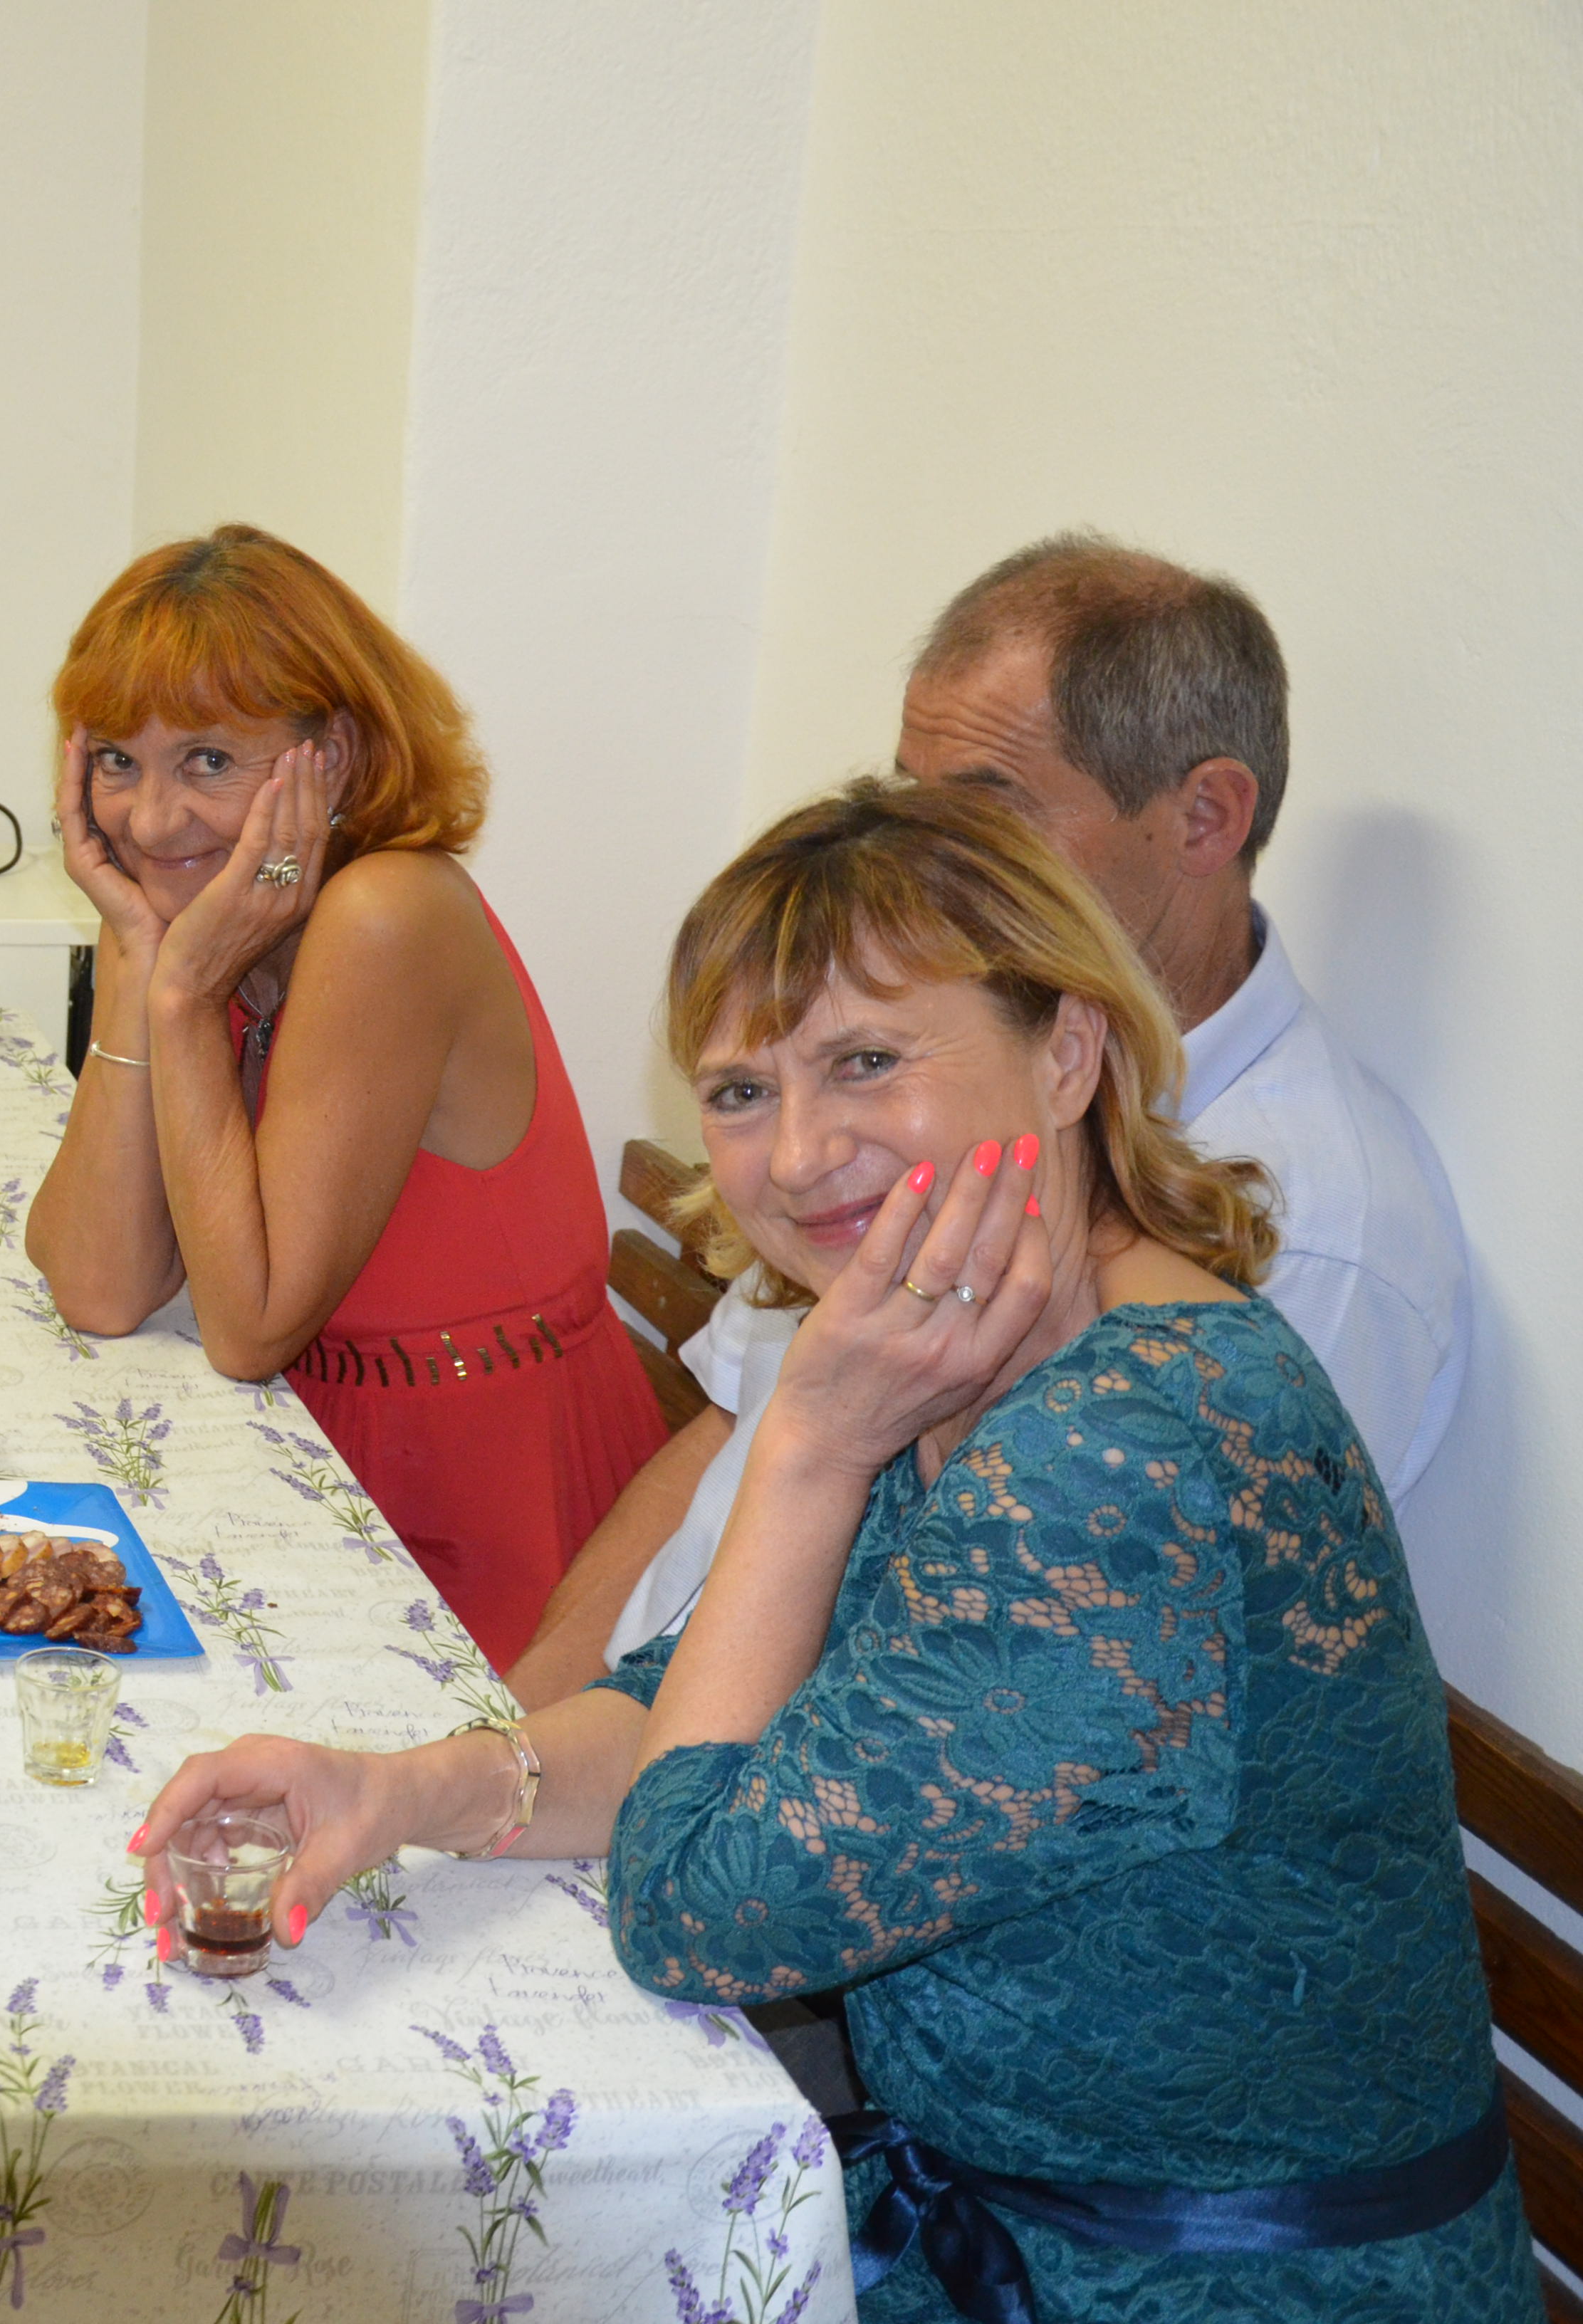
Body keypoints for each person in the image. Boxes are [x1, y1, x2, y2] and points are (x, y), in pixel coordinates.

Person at [134, 778, 1540, 2321]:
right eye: (741, 1090)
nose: (799, 1154)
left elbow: (696, 1905)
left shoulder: (1122, 1449)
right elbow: (703, 1702)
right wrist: (402, 1791)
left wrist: (806, 1440)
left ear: (1067, 1051)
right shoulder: (985, 1336)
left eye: (866, 1060)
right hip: (1012, 2231)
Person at [506, 534, 1472, 1704]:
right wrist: (532, 1711)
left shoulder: (1315, 1238)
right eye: (907, 800)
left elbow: (1030, 1696)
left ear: (1205, 817)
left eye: (982, 812)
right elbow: (725, 1429)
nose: (916, 857)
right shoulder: (886, 1101)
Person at [21, 525, 665, 1659]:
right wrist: (137, 955)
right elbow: (101, 1287)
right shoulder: (209, 918)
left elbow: (250, 1328)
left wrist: (182, 996)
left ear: (338, 757)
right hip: (321, 1474)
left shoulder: (385, 916)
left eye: (208, 761)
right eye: (117, 761)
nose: (150, 821)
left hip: (496, 1532)